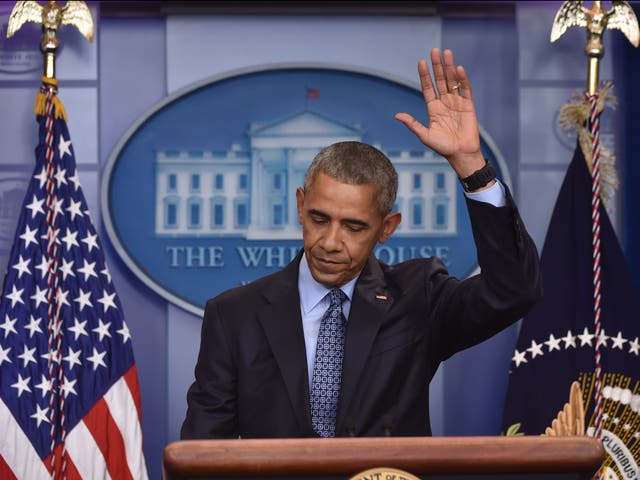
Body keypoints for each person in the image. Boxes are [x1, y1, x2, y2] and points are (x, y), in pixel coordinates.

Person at [181, 48, 542, 439]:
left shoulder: (418, 299)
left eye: (353, 227)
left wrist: (472, 165)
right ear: (301, 205)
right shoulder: (234, 316)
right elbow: (203, 451)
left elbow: (514, 292)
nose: (331, 242)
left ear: (387, 227)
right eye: (319, 219)